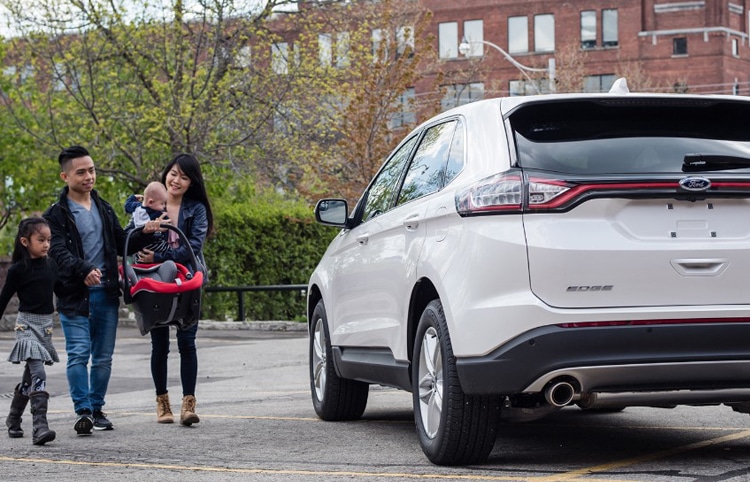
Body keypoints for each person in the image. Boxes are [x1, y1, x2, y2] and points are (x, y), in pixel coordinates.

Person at [43, 145, 162, 435]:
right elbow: (57, 252)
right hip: (74, 294)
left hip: (107, 292)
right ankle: (82, 410)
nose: (89, 176)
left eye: (92, 170)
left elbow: (122, 242)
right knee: (79, 353)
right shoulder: (56, 214)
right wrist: (83, 270)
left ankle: (97, 408)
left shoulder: (104, 208)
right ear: (65, 176)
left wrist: (144, 232)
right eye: (81, 172)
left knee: (104, 356)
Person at [135, 153, 213, 426]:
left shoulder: (197, 209)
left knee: (187, 342)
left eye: (184, 176)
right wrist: (144, 227)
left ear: (192, 182)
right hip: (157, 281)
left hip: (188, 280)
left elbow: (192, 247)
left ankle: (188, 404)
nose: (176, 180)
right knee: (159, 345)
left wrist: (159, 256)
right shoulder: (150, 204)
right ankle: (162, 403)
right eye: (173, 173)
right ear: (166, 172)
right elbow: (130, 230)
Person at [0, 218, 60, 445]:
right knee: (39, 374)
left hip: (45, 328)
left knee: (29, 378)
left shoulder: (51, 265)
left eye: (49, 240)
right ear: (25, 241)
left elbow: (61, 289)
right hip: (26, 327)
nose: (46, 245)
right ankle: (40, 427)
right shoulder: (17, 270)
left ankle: (13, 419)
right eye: (41, 240)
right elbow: (4, 299)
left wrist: (84, 281)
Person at [124, 181, 178, 255]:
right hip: (153, 245)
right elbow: (167, 224)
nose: (164, 207)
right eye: (162, 203)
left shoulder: (136, 206)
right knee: (169, 250)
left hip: (139, 246)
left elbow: (127, 206)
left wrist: (133, 197)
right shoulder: (157, 213)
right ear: (151, 202)